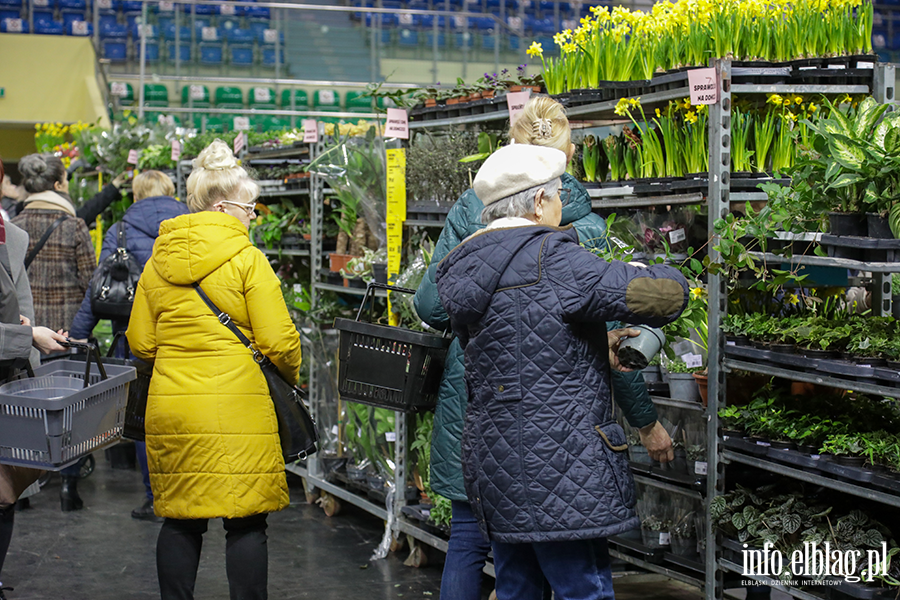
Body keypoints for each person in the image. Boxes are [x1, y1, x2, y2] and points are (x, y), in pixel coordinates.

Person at [413, 96, 674, 600]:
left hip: (485, 421)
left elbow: (431, 304)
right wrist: (645, 419)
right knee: (578, 577)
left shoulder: (472, 224)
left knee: (490, 557)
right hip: (561, 441)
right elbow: (625, 316)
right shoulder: (573, 239)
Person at [127, 139, 303, 600]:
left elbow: (141, 343)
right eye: (251, 208)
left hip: (173, 411)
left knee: (181, 520)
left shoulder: (157, 264)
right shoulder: (248, 261)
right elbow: (278, 340)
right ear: (225, 207)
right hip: (238, 409)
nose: (253, 216)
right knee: (245, 521)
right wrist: (292, 377)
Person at [69, 170, 189, 522]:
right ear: (170, 191)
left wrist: (78, 334)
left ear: (136, 194)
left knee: (143, 417)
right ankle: (187, 493)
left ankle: (155, 498)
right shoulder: (191, 224)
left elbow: (99, 285)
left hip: (135, 337)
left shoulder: (119, 230)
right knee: (185, 413)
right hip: (184, 335)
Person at [0, 164, 70, 598]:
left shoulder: (12, 236)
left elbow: (16, 302)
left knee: (4, 493)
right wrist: (29, 334)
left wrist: (25, 331)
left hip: (7, 378)